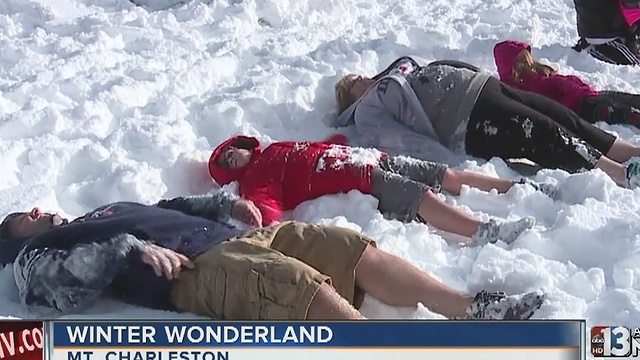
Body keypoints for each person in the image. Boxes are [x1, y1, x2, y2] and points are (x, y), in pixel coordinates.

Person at [0, 192, 546, 320]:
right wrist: (131, 247)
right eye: (26, 214)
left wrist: (220, 202)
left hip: (233, 237)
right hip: (201, 272)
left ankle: (468, 308)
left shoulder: (103, 209)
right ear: (14, 237)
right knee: (299, 285)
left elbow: (167, 206)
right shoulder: (32, 258)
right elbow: (54, 288)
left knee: (347, 248)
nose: (39, 211)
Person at [331, 57, 640, 190]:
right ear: (350, 99)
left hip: (482, 87)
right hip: (467, 117)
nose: (361, 78)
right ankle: (618, 172)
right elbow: (399, 140)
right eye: (353, 83)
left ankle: (628, 151)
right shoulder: (366, 111)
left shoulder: (395, 75)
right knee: (542, 132)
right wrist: (448, 163)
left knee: (560, 115)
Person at [207, 134, 541, 247]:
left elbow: (311, 149)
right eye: (224, 160)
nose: (229, 155)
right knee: (419, 196)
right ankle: (483, 231)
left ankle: (516, 186)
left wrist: (335, 142)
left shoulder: (274, 147)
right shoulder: (254, 179)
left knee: (444, 175)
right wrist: (255, 214)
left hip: (366, 157)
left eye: (228, 149)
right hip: (354, 177)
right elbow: (266, 207)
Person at [494, 40, 640, 129]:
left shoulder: (514, 87)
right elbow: (562, 84)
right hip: (579, 102)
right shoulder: (536, 79)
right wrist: (581, 90)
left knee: (612, 103)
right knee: (615, 105)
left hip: (576, 103)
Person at [572, 0, 640, 66]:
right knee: (636, 65)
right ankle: (598, 51)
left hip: (590, 27)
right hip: (609, 34)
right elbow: (630, 8)